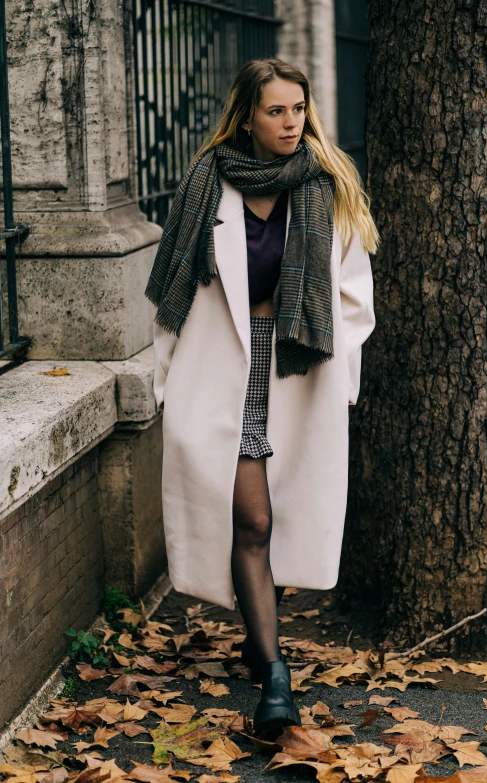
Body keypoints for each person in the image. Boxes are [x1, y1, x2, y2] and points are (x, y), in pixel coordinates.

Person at [145, 58, 379, 735]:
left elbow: (355, 298)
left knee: (280, 516)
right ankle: (275, 675)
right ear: (247, 116)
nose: (291, 122)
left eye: (299, 109)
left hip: (301, 373)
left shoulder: (327, 186)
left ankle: (258, 630)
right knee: (251, 519)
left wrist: (346, 381)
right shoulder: (204, 185)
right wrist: (166, 383)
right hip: (224, 370)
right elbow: (172, 297)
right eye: (276, 111)